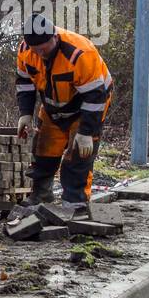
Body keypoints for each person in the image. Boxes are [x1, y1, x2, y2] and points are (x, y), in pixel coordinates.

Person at [15, 14, 113, 209]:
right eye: (37, 50)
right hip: (53, 106)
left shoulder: (80, 54)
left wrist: (86, 132)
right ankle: (41, 195)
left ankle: (75, 201)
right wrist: (25, 113)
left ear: (55, 37)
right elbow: (25, 84)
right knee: (43, 150)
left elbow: (95, 97)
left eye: (44, 48)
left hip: (87, 106)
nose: (41, 53)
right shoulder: (26, 51)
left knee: (78, 156)